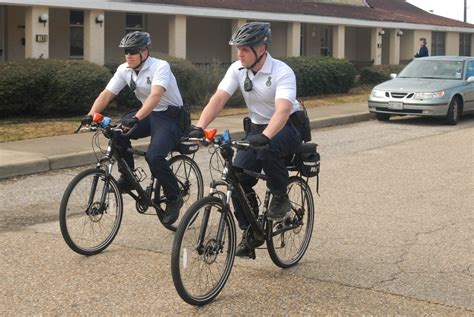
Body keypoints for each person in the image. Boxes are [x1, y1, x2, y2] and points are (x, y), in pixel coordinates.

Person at [188, 22, 303, 257]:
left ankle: (280, 196)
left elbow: (282, 110)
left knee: (268, 149)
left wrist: (266, 136)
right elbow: (219, 98)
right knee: (236, 177)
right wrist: (200, 127)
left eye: (244, 49)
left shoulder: (282, 71)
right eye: (238, 49)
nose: (239, 54)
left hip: (287, 125)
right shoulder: (237, 69)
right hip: (258, 126)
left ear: (261, 49)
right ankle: (251, 230)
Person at [81, 31, 184, 225]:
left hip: (170, 115)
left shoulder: (160, 66)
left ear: (144, 53)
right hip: (148, 113)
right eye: (126, 51)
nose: (128, 55)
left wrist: (136, 118)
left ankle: (174, 198)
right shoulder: (124, 69)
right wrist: (91, 114)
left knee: (154, 157)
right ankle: (127, 177)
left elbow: (155, 95)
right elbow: (107, 93)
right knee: (116, 133)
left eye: (132, 51)